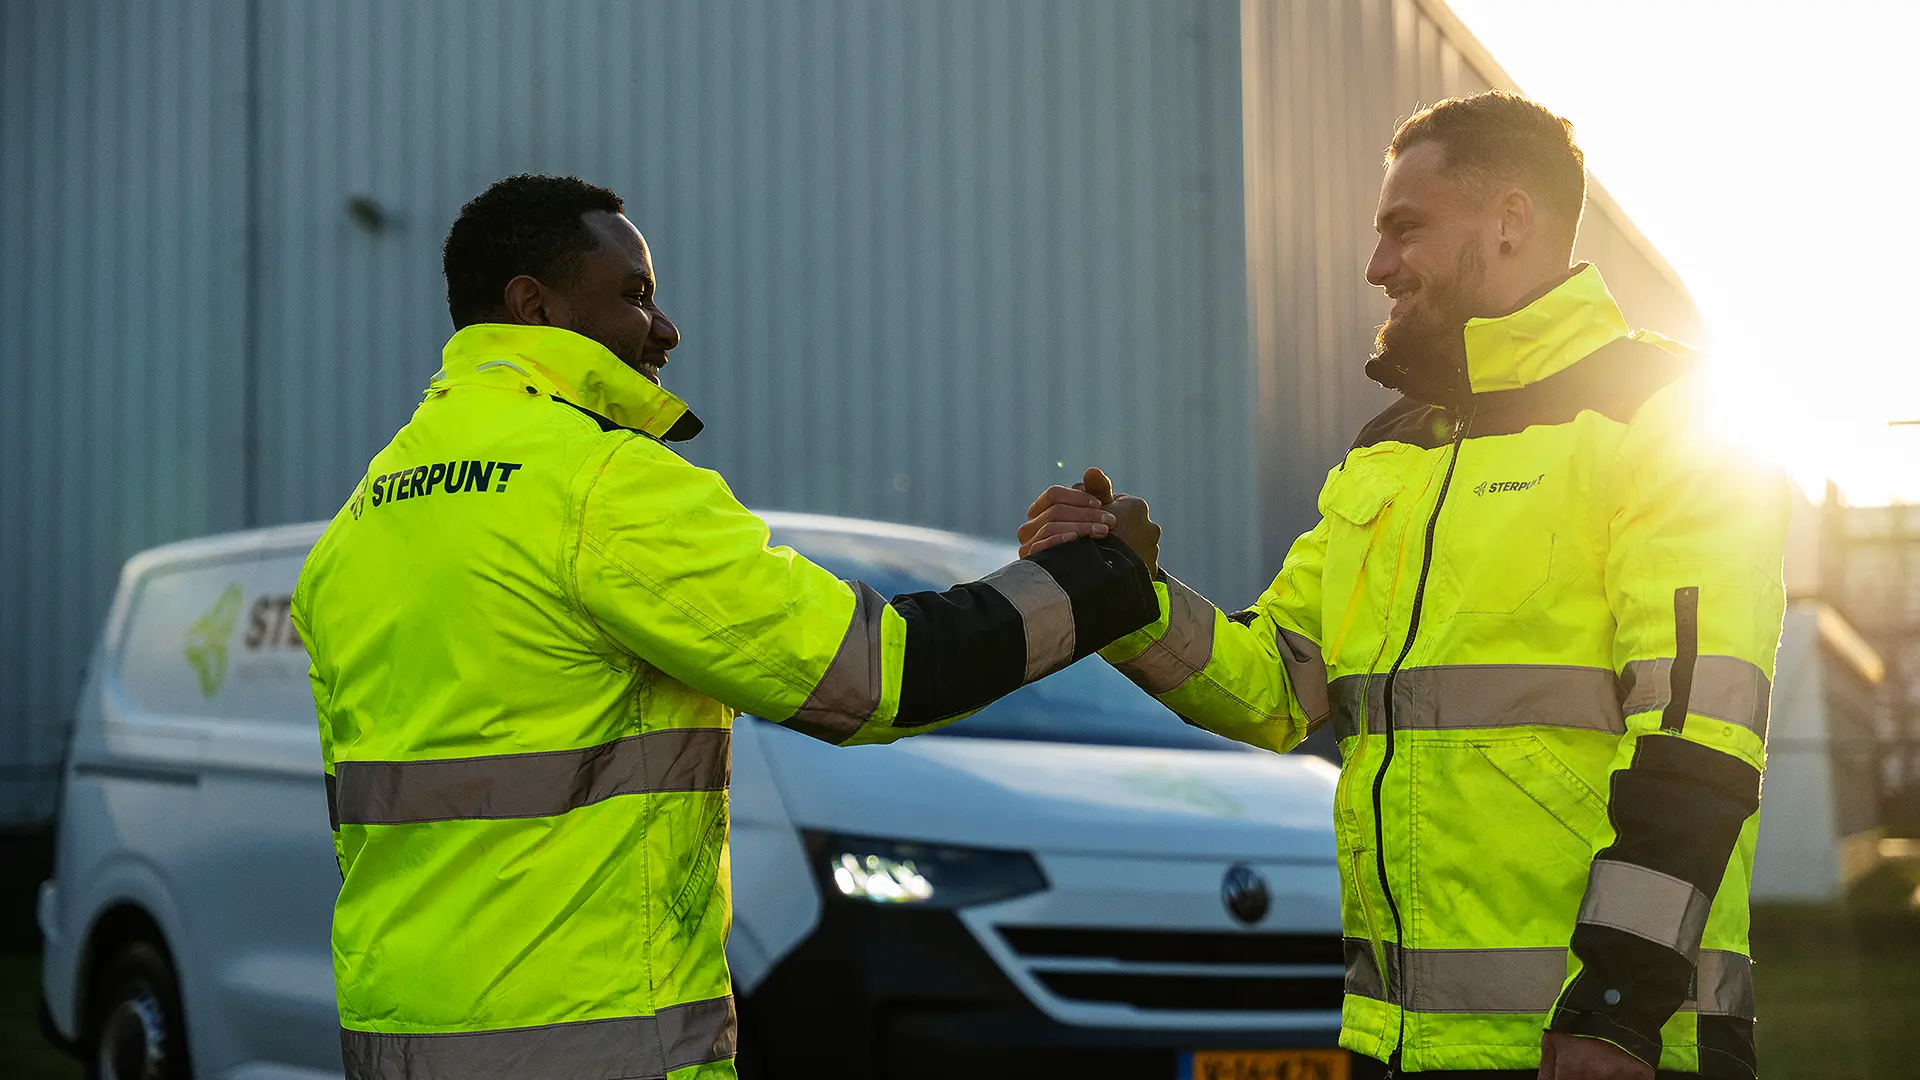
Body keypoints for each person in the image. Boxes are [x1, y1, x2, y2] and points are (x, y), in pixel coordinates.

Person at [291, 173, 1162, 1080]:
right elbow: (882, 676)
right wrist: (1100, 575)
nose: (666, 328)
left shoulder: (360, 523)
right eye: (634, 294)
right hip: (596, 1045)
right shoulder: (601, 486)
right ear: (531, 305)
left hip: (400, 1046)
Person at [1023, 92, 1784, 1080]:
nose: (1377, 267)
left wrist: (1613, 1010)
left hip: (1613, 1046)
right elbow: (1278, 685)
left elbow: (1700, 740)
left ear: (1510, 222)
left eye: (1404, 229)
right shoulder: (1393, 452)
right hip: (1399, 1046)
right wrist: (1126, 595)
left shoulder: (1671, 422)